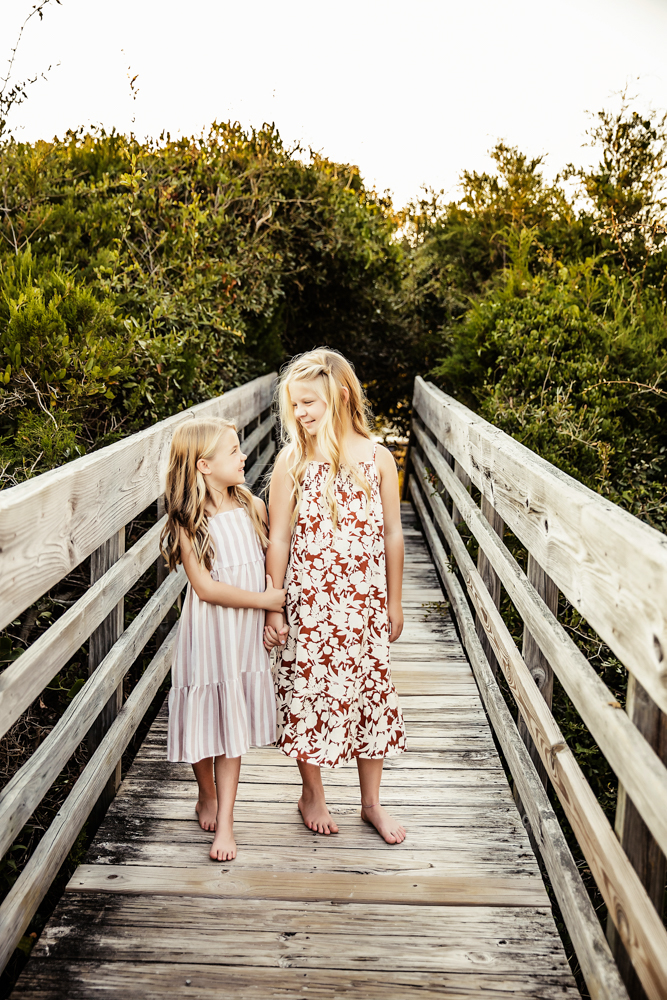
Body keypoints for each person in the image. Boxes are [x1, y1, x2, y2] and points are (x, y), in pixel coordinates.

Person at [264, 348, 407, 844]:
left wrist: (395, 599)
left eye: (308, 402)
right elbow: (279, 537)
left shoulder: (378, 457)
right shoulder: (292, 461)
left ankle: (371, 802)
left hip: (365, 605)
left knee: (371, 693)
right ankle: (313, 794)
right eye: (294, 405)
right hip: (312, 606)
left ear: (339, 394)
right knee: (311, 695)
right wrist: (275, 604)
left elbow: (392, 534)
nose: (299, 413)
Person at [160, 418, 286, 861]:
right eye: (234, 451)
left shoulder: (252, 504)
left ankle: (226, 824)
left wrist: (273, 612)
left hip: (242, 637)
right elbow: (207, 589)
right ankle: (205, 792)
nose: (244, 456)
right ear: (204, 466)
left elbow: (273, 564)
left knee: (230, 728)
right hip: (208, 635)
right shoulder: (187, 522)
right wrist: (265, 598)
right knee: (203, 721)